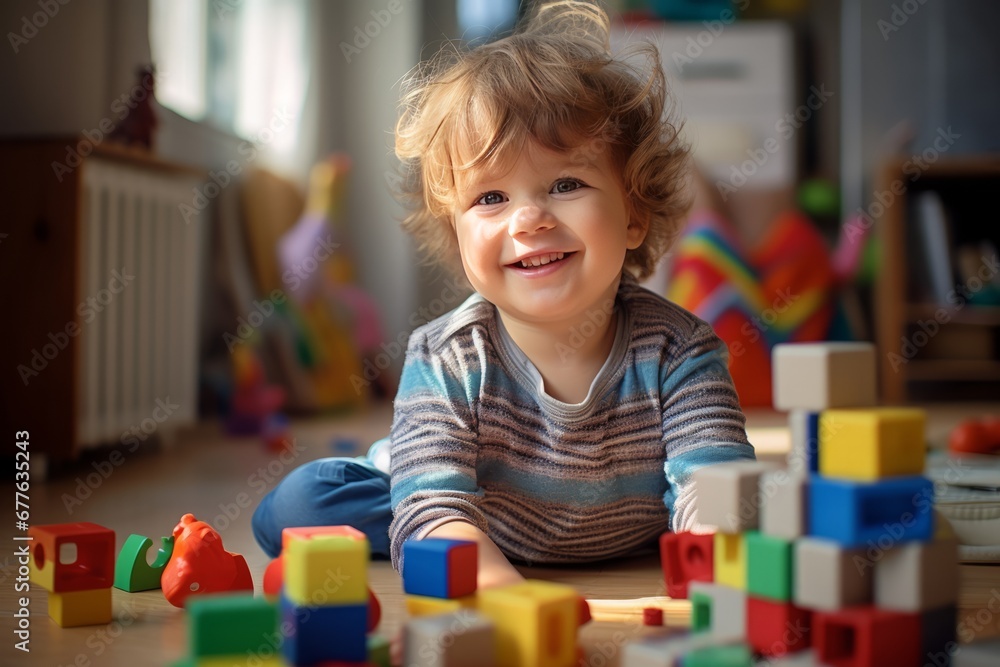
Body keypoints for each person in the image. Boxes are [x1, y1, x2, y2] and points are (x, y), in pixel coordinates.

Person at [251, 0, 755, 589]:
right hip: (473, 504)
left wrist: (716, 555)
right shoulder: (447, 357)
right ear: (457, 234)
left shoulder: (682, 350)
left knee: (756, 501)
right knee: (301, 506)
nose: (528, 220)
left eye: (566, 184)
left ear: (634, 216)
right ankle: (410, 481)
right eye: (491, 198)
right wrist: (499, 589)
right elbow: (434, 508)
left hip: (627, 519)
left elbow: (714, 480)